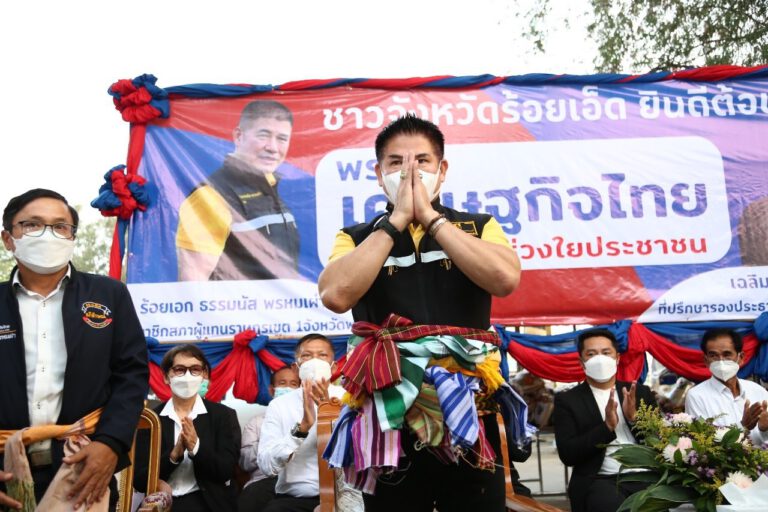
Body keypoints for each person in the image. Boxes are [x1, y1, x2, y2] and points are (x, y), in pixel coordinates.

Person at [318, 114, 522, 511]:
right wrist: (396, 221)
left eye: (422, 162)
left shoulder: (479, 227)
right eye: (395, 163)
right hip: (388, 414)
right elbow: (336, 294)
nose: (409, 172)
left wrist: (430, 218)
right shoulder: (356, 236)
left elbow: (504, 278)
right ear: (379, 174)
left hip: (468, 409)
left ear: (442, 171)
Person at [0, 188, 149, 510]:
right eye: (32, 225)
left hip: (83, 465)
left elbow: (132, 375)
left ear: (71, 237)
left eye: (60, 226)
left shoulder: (109, 295)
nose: (48, 235)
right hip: (5, 471)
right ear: (8, 239)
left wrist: (110, 443)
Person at [176, 100, 300, 281]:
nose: (273, 147)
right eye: (263, 135)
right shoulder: (211, 195)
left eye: (282, 138)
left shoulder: (272, 188)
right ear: (238, 136)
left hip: (280, 309)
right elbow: (193, 283)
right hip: (233, 310)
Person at [553, 328, 656, 512]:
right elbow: (568, 454)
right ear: (582, 362)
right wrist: (607, 427)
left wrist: (635, 419)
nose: (599, 359)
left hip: (645, 476)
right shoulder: (568, 400)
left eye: (606, 353)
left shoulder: (639, 392)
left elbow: (661, 441)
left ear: (617, 358)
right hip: (602, 480)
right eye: (591, 354)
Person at [136, 344, 241, 511]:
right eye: (179, 369)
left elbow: (226, 470)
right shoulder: (149, 420)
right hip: (161, 503)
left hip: (206, 502)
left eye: (195, 369)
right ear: (166, 377)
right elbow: (139, 479)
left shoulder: (223, 415)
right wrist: (173, 456)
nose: (187, 376)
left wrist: (195, 447)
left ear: (204, 375)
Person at [257, 334, 346, 512]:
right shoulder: (279, 405)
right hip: (293, 500)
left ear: (333, 366)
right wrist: (301, 430)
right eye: (306, 356)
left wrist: (330, 417)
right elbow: (266, 465)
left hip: (343, 499)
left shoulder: (349, 399)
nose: (314, 361)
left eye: (322, 355)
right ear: (296, 368)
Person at [685, 328, 768, 446]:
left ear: (741, 358)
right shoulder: (697, 395)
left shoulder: (758, 391)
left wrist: (764, 430)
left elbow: (764, 441)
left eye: (727, 354)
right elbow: (705, 445)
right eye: (713, 355)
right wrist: (742, 426)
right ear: (706, 360)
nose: (721, 361)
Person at [238, 365, 301, 512]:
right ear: (272, 390)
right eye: (283, 383)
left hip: (298, 481)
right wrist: (271, 440)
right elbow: (245, 463)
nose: (288, 388)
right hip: (264, 481)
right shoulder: (256, 423)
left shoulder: (308, 420)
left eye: (293, 384)